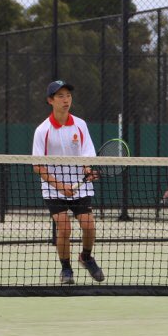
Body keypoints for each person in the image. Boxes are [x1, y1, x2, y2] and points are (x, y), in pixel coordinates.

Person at [32, 80, 105, 285]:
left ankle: (86, 257)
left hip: (79, 187)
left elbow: (87, 154)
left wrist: (88, 170)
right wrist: (60, 186)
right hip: (53, 189)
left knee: (89, 227)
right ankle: (66, 268)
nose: (66, 100)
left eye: (68, 96)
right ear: (50, 101)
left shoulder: (80, 125)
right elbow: (38, 167)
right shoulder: (42, 131)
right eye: (61, 96)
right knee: (64, 229)